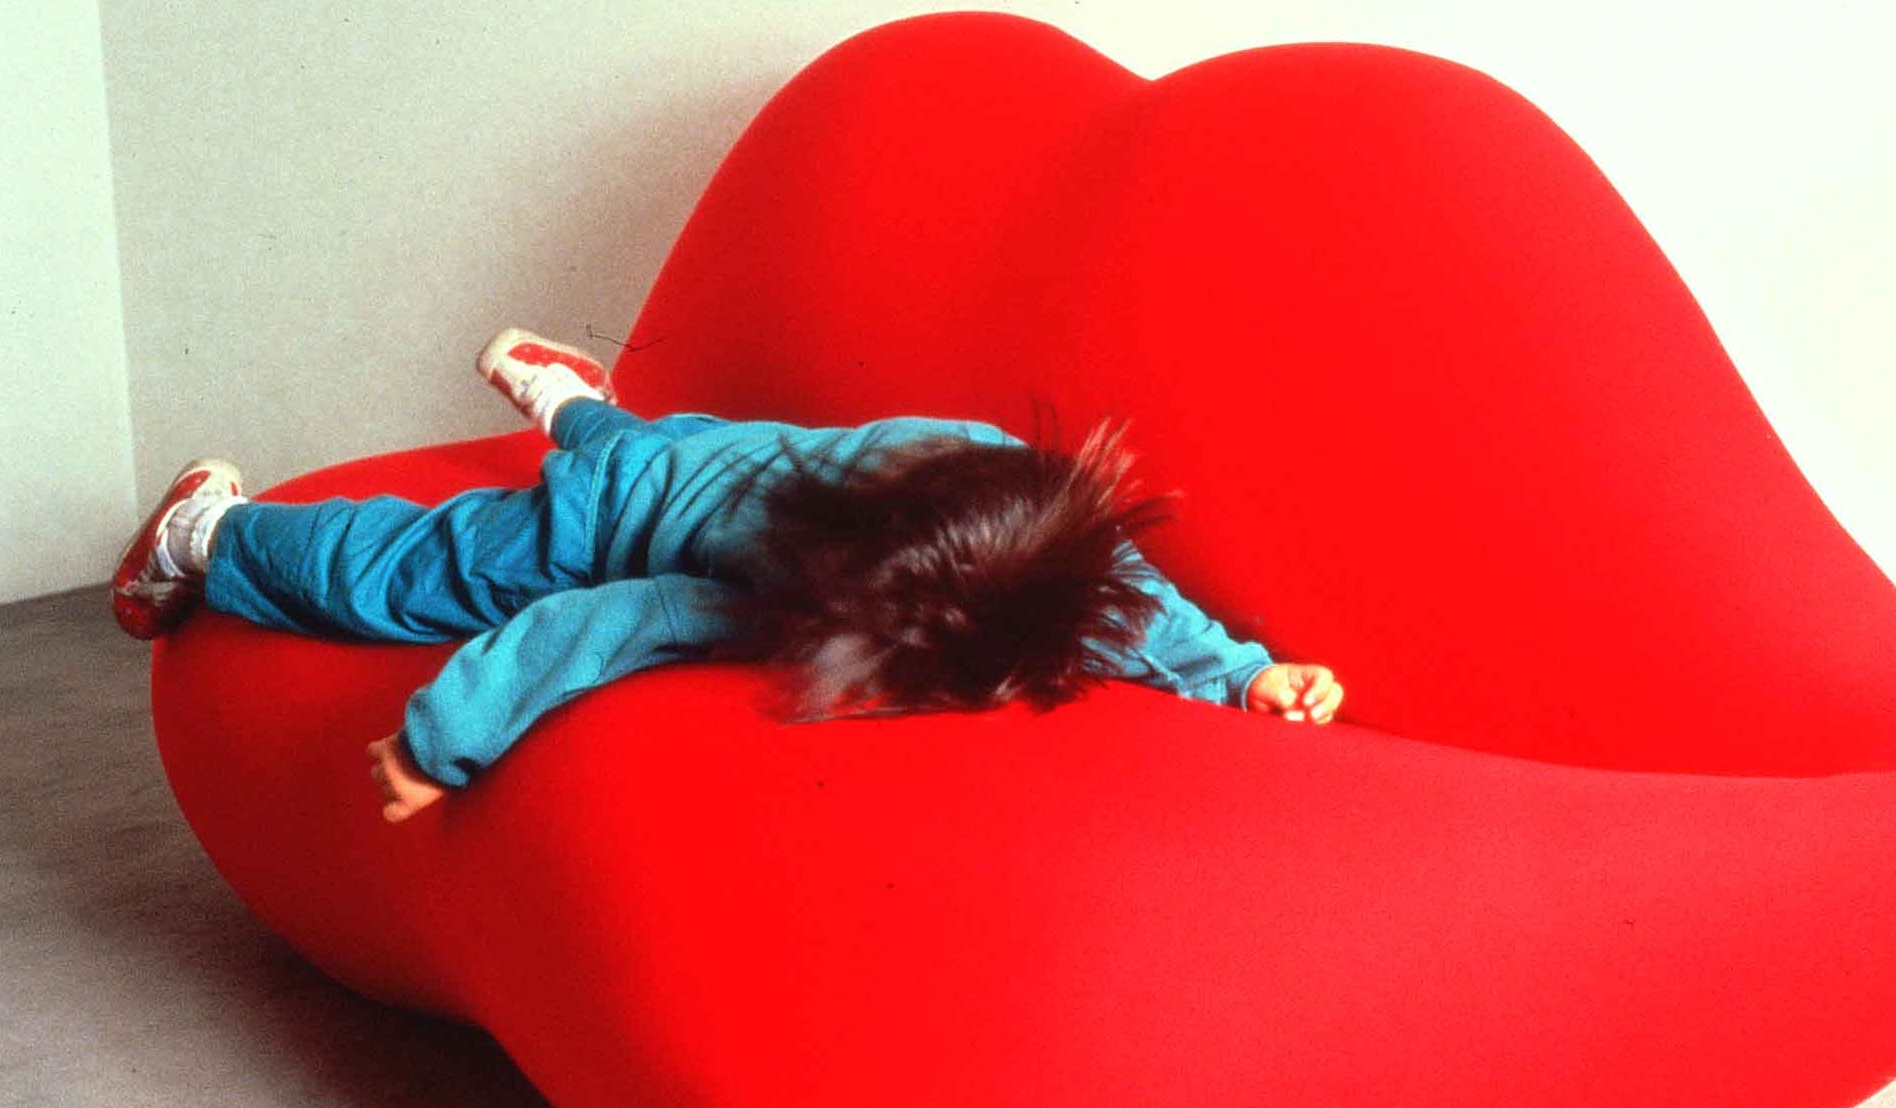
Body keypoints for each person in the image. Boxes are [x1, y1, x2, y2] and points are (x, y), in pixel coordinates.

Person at [112, 330, 1345, 823]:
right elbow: (599, 619)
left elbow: (1126, 599)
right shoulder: (778, 582)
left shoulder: (1018, 499)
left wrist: (1239, 677)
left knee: (650, 449)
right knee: (405, 573)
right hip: (608, 522)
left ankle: (567, 398)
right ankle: (206, 534)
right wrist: (442, 744)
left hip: (719, 451)